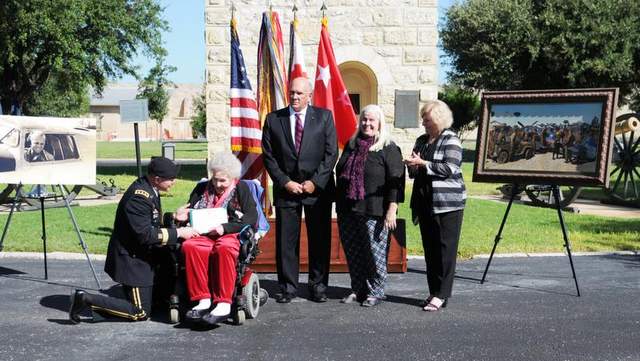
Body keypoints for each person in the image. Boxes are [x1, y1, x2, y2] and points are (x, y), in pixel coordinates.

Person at [68, 157, 199, 324]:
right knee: (141, 312)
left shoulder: (150, 189)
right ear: (157, 179)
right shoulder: (139, 197)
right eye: (171, 179)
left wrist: (172, 216)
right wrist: (179, 232)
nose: (174, 181)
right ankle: (84, 299)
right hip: (133, 261)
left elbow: (150, 221)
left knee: (155, 302)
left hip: (144, 257)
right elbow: (145, 235)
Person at [261, 76, 338, 303]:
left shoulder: (324, 117)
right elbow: (269, 155)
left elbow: (331, 153)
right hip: (287, 191)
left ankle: (318, 287)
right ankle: (287, 287)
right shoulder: (274, 119)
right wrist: (284, 181)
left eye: (299, 93)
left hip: (317, 190)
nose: (294, 97)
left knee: (319, 240)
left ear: (309, 95)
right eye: (292, 92)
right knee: (286, 242)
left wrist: (315, 182)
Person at [175, 152, 258, 325]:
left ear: (232, 177)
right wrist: (181, 215)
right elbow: (190, 212)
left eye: (223, 181)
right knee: (190, 246)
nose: (218, 184)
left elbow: (251, 218)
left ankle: (223, 303)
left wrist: (224, 227)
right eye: (215, 180)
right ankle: (202, 299)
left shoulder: (241, 189)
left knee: (224, 248)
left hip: (229, 234)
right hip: (203, 233)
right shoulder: (201, 188)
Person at [335, 104, 404, 307]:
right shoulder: (352, 144)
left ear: (380, 122)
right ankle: (358, 288)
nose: (367, 123)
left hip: (375, 210)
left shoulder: (388, 147)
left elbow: (396, 181)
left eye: (372, 120)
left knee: (375, 254)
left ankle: (376, 290)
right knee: (354, 252)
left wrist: (392, 208)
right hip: (349, 209)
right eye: (364, 119)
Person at [404, 100, 466, 312]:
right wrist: (412, 166)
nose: (424, 124)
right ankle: (434, 291)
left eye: (427, 120)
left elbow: (451, 168)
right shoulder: (422, 140)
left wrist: (424, 164)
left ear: (439, 119)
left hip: (447, 205)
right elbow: (415, 170)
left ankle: (442, 294)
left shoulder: (452, 140)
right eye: (423, 119)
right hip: (424, 202)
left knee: (445, 251)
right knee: (430, 251)